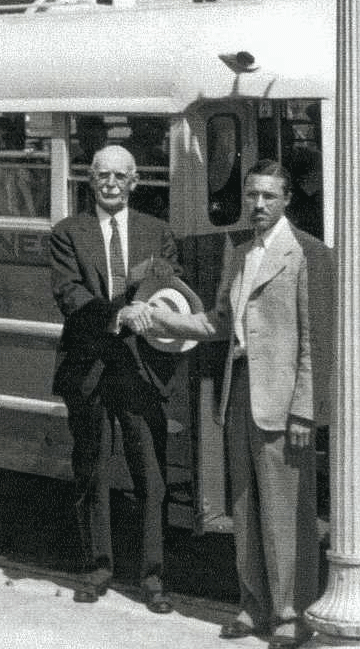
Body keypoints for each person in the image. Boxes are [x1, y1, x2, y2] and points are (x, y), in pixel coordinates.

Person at [131, 159, 331, 648]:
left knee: (287, 511)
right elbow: (218, 324)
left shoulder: (308, 254)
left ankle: (291, 612)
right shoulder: (239, 253)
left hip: (283, 402)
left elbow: (314, 340)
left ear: (287, 200)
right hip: (239, 388)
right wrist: (157, 319)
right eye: (251, 196)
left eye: (268, 196)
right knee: (244, 507)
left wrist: (304, 410)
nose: (257, 205)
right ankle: (253, 605)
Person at [49, 144, 180, 615]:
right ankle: (97, 568)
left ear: (135, 180)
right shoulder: (68, 234)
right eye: (102, 175)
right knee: (92, 472)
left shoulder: (157, 232)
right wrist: (121, 312)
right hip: (89, 369)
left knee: (152, 477)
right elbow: (71, 295)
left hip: (142, 370)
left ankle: (153, 578)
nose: (110, 184)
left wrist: (152, 300)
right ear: (90, 180)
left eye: (120, 176)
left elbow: (171, 283)